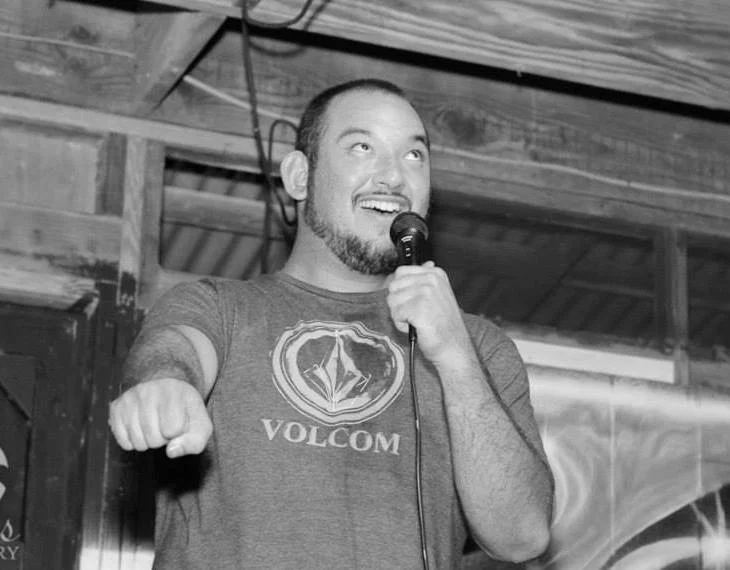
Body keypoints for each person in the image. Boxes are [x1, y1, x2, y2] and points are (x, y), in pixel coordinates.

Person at [109, 78, 554, 569]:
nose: (394, 176)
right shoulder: (219, 307)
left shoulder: (479, 347)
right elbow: (176, 349)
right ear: (300, 176)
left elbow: (522, 537)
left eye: (414, 156)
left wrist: (455, 357)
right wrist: (166, 386)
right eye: (362, 147)